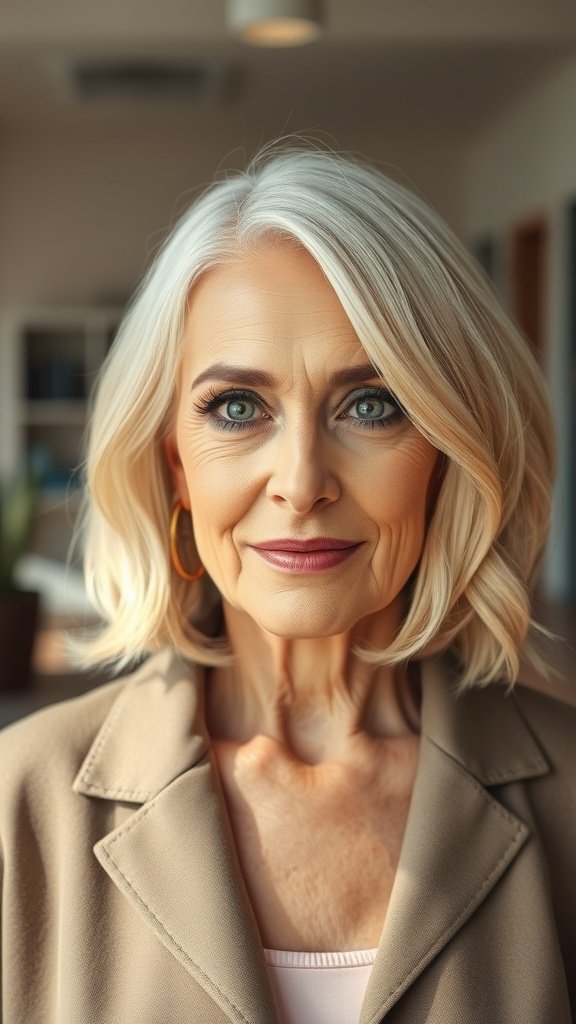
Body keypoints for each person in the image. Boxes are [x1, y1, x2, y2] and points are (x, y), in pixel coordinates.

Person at [1, 141, 574, 1024]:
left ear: (449, 454)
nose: (301, 481)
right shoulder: (17, 804)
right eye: (237, 407)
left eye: (372, 404)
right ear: (177, 469)